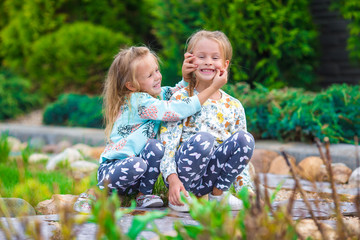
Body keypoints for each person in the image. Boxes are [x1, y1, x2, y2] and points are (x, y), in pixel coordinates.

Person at [73, 46, 227, 212]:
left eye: (157, 70)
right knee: (137, 164)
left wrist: (185, 80)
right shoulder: (138, 101)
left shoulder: (153, 96)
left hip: (137, 175)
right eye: (150, 75)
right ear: (131, 86)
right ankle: (96, 193)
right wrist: (213, 88)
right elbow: (176, 109)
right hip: (114, 170)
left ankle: (143, 195)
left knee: (156, 147)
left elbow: (173, 94)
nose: (157, 77)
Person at [160, 30, 255, 212]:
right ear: (189, 60)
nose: (208, 62)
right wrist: (172, 180)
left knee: (245, 139)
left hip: (212, 178)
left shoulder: (234, 105)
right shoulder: (181, 98)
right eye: (201, 56)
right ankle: (181, 196)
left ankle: (218, 195)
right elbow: (168, 145)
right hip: (183, 177)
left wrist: (246, 190)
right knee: (205, 139)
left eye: (215, 58)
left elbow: (240, 159)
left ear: (225, 64)